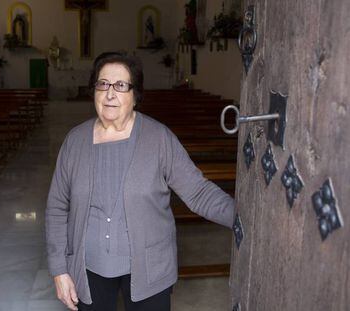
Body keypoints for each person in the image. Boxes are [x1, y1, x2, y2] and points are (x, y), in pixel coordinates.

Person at [46, 51, 235, 311]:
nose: (110, 94)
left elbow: (198, 192)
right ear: (94, 90)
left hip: (149, 268)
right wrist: (59, 269)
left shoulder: (159, 139)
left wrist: (242, 218)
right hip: (88, 267)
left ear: (135, 95)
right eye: (103, 84)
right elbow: (57, 208)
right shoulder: (74, 141)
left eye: (121, 85)